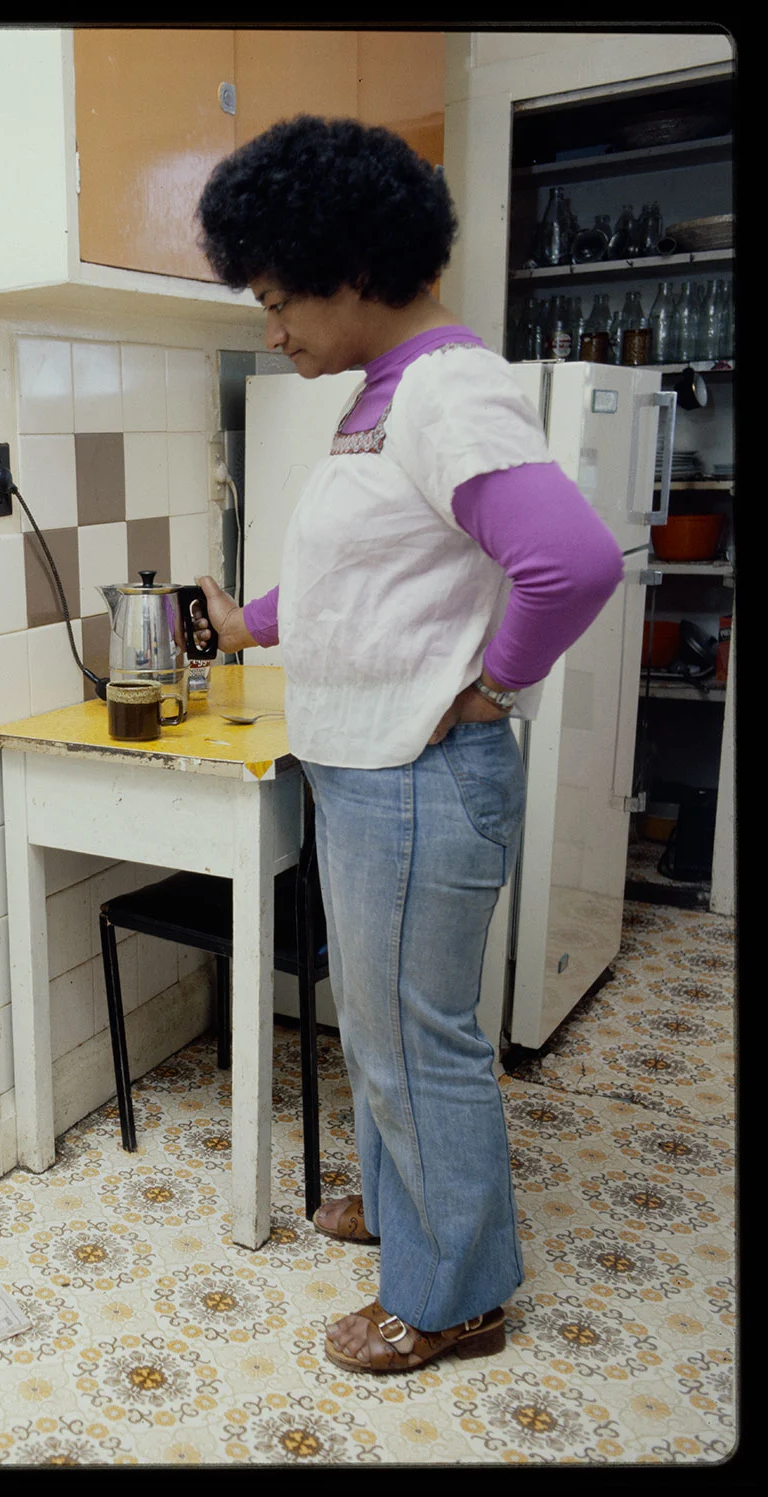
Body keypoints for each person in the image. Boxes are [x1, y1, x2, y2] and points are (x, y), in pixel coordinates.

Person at [193, 116, 625, 1373]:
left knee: (415, 1032)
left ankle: (452, 1296)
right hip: (374, 768)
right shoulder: (384, 401)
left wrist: (494, 686)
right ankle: (398, 1211)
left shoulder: (446, 389)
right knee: (377, 1022)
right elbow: (374, 578)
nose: (274, 330)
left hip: (421, 777)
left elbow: (573, 562)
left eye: (280, 300)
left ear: (353, 271)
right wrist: (250, 622)